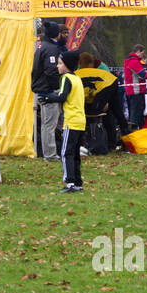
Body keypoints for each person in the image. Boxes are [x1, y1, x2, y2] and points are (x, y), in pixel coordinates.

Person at [48, 50, 86, 192]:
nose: (57, 66)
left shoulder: (66, 78)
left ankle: (69, 182)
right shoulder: (77, 79)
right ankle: (78, 182)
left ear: (67, 65)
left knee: (66, 153)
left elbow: (62, 96)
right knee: (75, 154)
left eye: (60, 63)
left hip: (71, 121)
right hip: (81, 121)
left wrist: (48, 98)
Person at [30, 21, 63, 160]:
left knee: (45, 124)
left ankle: (47, 152)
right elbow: (50, 71)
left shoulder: (42, 46)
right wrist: (57, 86)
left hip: (41, 89)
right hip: (47, 91)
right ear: (57, 34)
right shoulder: (51, 49)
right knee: (49, 124)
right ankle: (50, 154)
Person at [122, 45, 147, 129]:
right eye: (142, 53)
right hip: (136, 91)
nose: (142, 55)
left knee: (134, 114)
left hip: (131, 91)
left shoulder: (128, 61)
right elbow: (143, 75)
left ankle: (134, 130)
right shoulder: (134, 62)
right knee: (135, 115)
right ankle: (134, 132)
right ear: (137, 51)